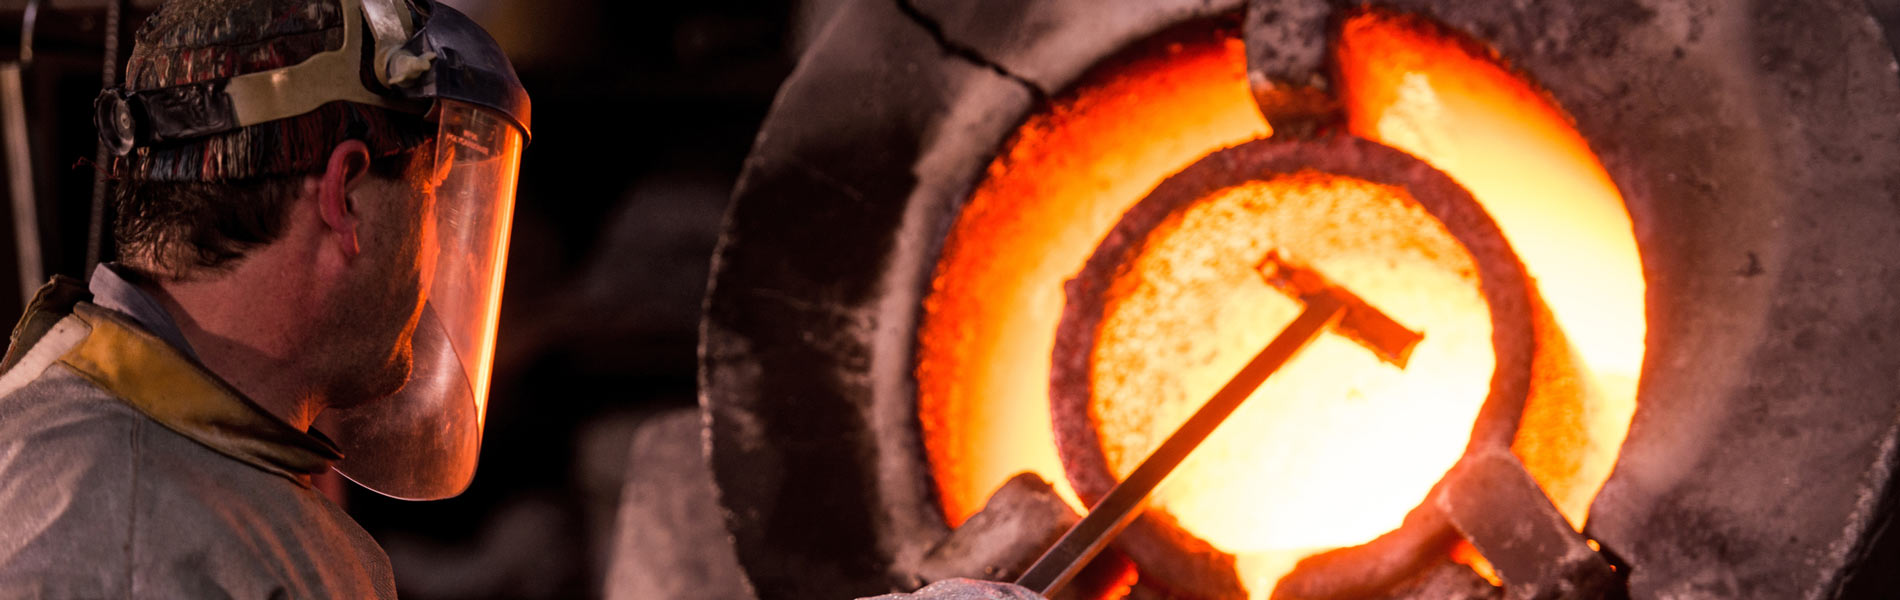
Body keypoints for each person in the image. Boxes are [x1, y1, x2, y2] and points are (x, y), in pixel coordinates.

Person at [0, 0, 528, 596]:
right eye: (431, 192)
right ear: (345, 196)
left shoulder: (174, 477)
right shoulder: (129, 548)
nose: (436, 253)